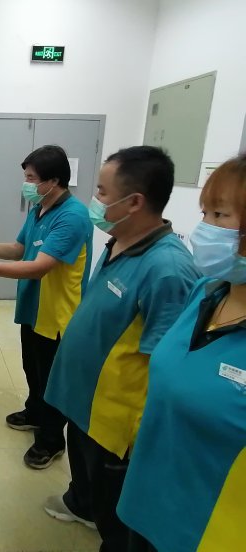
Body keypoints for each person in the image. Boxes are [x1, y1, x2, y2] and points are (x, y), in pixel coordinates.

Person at [43, 146, 200, 551]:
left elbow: (166, 362)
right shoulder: (119, 241)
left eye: (101, 191)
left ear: (134, 202)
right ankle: (81, 503)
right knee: (85, 471)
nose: (94, 199)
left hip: (115, 417)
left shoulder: (168, 269)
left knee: (115, 510)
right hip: (85, 398)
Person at [117, 153, 246, 552]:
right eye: (204, 213)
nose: (204, 229)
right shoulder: (206, 292)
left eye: (219, 215)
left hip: (209, 530)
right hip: (149, 500)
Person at [0, 145, 93, 469]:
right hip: (33, 307)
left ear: (53, 181)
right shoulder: (39, 208)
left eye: (31, 178)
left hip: (57, 315)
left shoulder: (72, 217)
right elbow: (18, 249)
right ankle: (34, 412)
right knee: (32, 367)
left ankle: (51, 441)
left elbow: (39, 267)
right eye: (26, 177)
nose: (26, 184)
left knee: (52, 380)